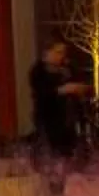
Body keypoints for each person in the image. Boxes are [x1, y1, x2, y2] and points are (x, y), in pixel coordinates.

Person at [30, 40, 81, 176]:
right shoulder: (39, 71)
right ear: (47, 53)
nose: (61, 56)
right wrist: (62, 90)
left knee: (66, 155)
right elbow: (41, 92)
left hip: (66, 118)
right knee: (51, 153)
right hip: (48, 118)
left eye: (63, 53)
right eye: (58, 52)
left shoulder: (66, 70)